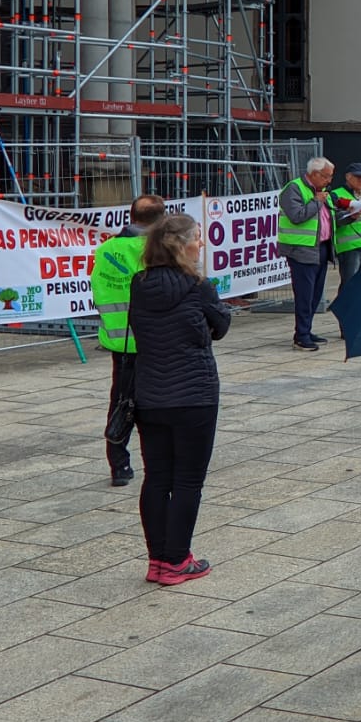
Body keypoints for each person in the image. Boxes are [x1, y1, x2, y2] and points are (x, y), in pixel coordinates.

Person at [130, 213, 231, 586]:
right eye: (198, 239)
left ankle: (157, 560)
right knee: (187, 480)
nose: (201, 244)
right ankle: (177, 560)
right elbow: (221, 325)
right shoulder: (197, 283)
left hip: (150, 393)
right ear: (183, 245)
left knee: (156, 477)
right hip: (194, 394)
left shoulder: (139, 284)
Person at [90, 194, 166, 487]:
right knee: (156, 405)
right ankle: (156, 461)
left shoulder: (106, 249)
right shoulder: (157, 249)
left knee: (121, 404)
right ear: (161, 220)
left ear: (131, 216)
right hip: (153, 341)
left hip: (119, 341)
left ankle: (119, 464)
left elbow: (98, 290)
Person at [278, 156, 335, 351]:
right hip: (301, 250)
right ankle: (301, 335)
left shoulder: (322, 191)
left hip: (321, 247)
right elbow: (297, 216)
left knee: (315, 294)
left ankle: (306, 329)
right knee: (304, 294)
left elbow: (326, 219)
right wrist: (317, 202)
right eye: (327, 176)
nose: (329, 181)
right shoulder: (293, 189)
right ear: (314, 174)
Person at [328, 163, 361, 335]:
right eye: (358, 176)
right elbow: (334, 219)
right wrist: (351, 217)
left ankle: (360, 323)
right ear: (348, 177)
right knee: (349, 287)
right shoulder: (337, 195)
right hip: (351, 248)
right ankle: (346, 325)